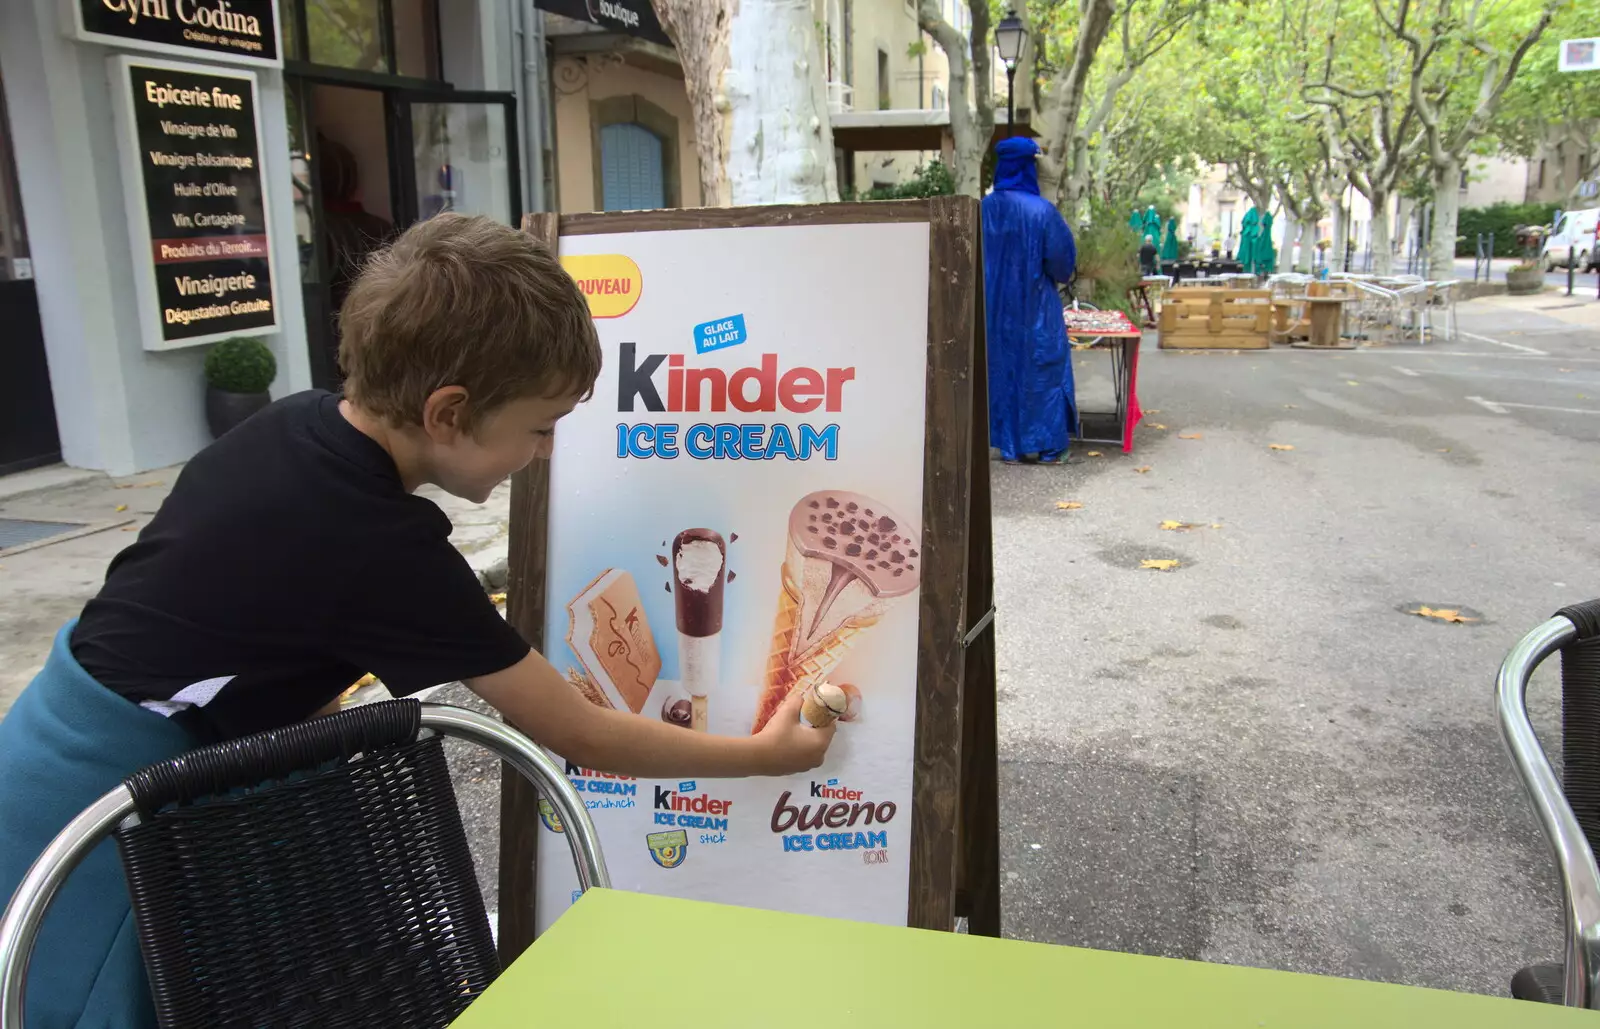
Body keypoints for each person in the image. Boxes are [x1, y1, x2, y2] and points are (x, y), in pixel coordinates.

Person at [0, 214, 836, 1029]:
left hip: (54, 745)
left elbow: (243, 622)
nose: (545, 452)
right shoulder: (380, 546)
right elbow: (583, 733)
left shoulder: (295, 425)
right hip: (102, 820)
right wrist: (765, 756)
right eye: (540, 428)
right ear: (448, 412)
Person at [981, 136, 1078, 465]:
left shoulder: (982, 210)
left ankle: (1009, 444)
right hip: (1035, 308)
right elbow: (1063, 265)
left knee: (1001, 369)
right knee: (1042, 370)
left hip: (993, 309)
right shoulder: (1042, 212)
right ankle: (1048, 445)